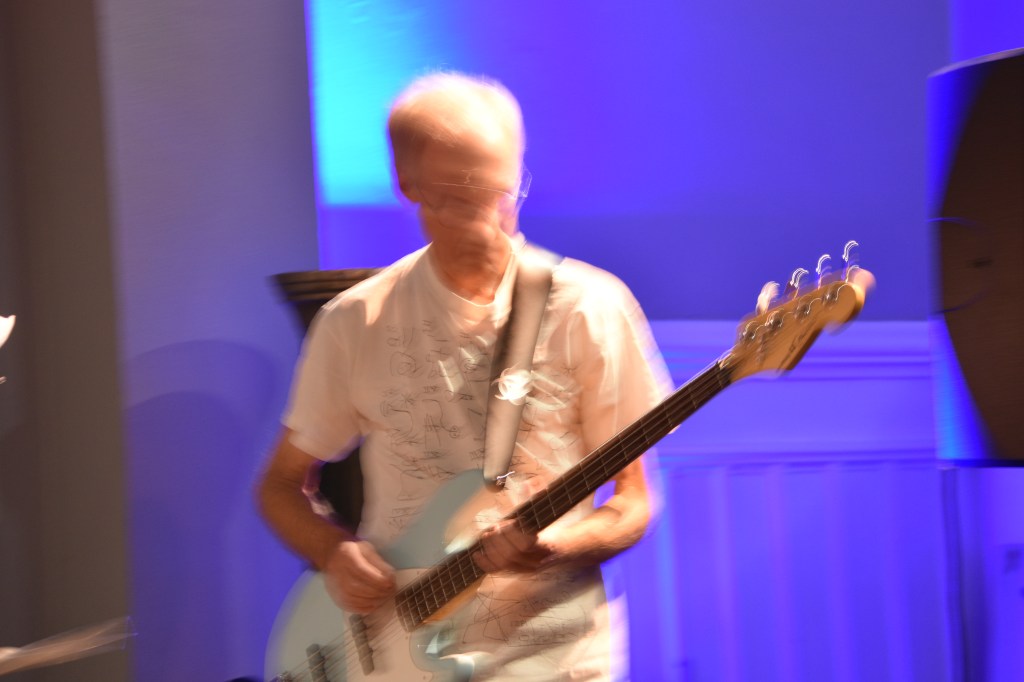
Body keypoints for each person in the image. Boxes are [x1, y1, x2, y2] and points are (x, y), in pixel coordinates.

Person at [257, 71, 671, 681]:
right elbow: (279, 485)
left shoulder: (590, 307)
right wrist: (334, 551)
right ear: (408, 185)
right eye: (458, 196)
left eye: (502, 190)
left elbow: (634, 502)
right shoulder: (356, 321)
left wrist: (553, 549)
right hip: (392, 655)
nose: (490, 219)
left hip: (556, 656)